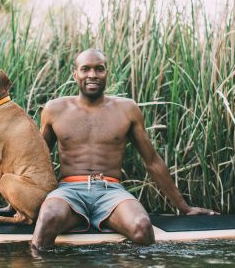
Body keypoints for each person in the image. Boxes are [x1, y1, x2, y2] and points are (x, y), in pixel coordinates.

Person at [31, 49, 217, 249]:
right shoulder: (54, 109)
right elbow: (35, 162)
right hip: (68, 192)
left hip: (110, 192)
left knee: (142, 228)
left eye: (99, 69)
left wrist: (184, 207)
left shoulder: (127, 109)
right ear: (75, 74)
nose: (92, 75)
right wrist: (16, 206)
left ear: (107, 73)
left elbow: (152, 161)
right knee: (47, 221)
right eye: (85, 69)